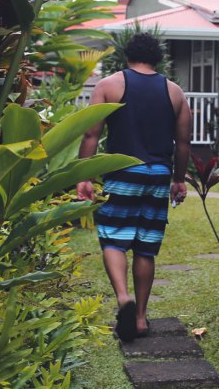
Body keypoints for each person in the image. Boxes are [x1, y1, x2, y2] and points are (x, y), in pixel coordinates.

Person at [76, 32, 191, 341]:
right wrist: (178, 179)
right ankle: (140, 318)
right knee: (145, 245)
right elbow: (183, 143)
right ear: (158, 58)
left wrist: (83, 175)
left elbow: (91, 134)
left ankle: (124, 298)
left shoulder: (108, 86)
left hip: (122, 171)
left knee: (113, 237)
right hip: (157, 174)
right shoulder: (174, 91)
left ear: (127, 56)